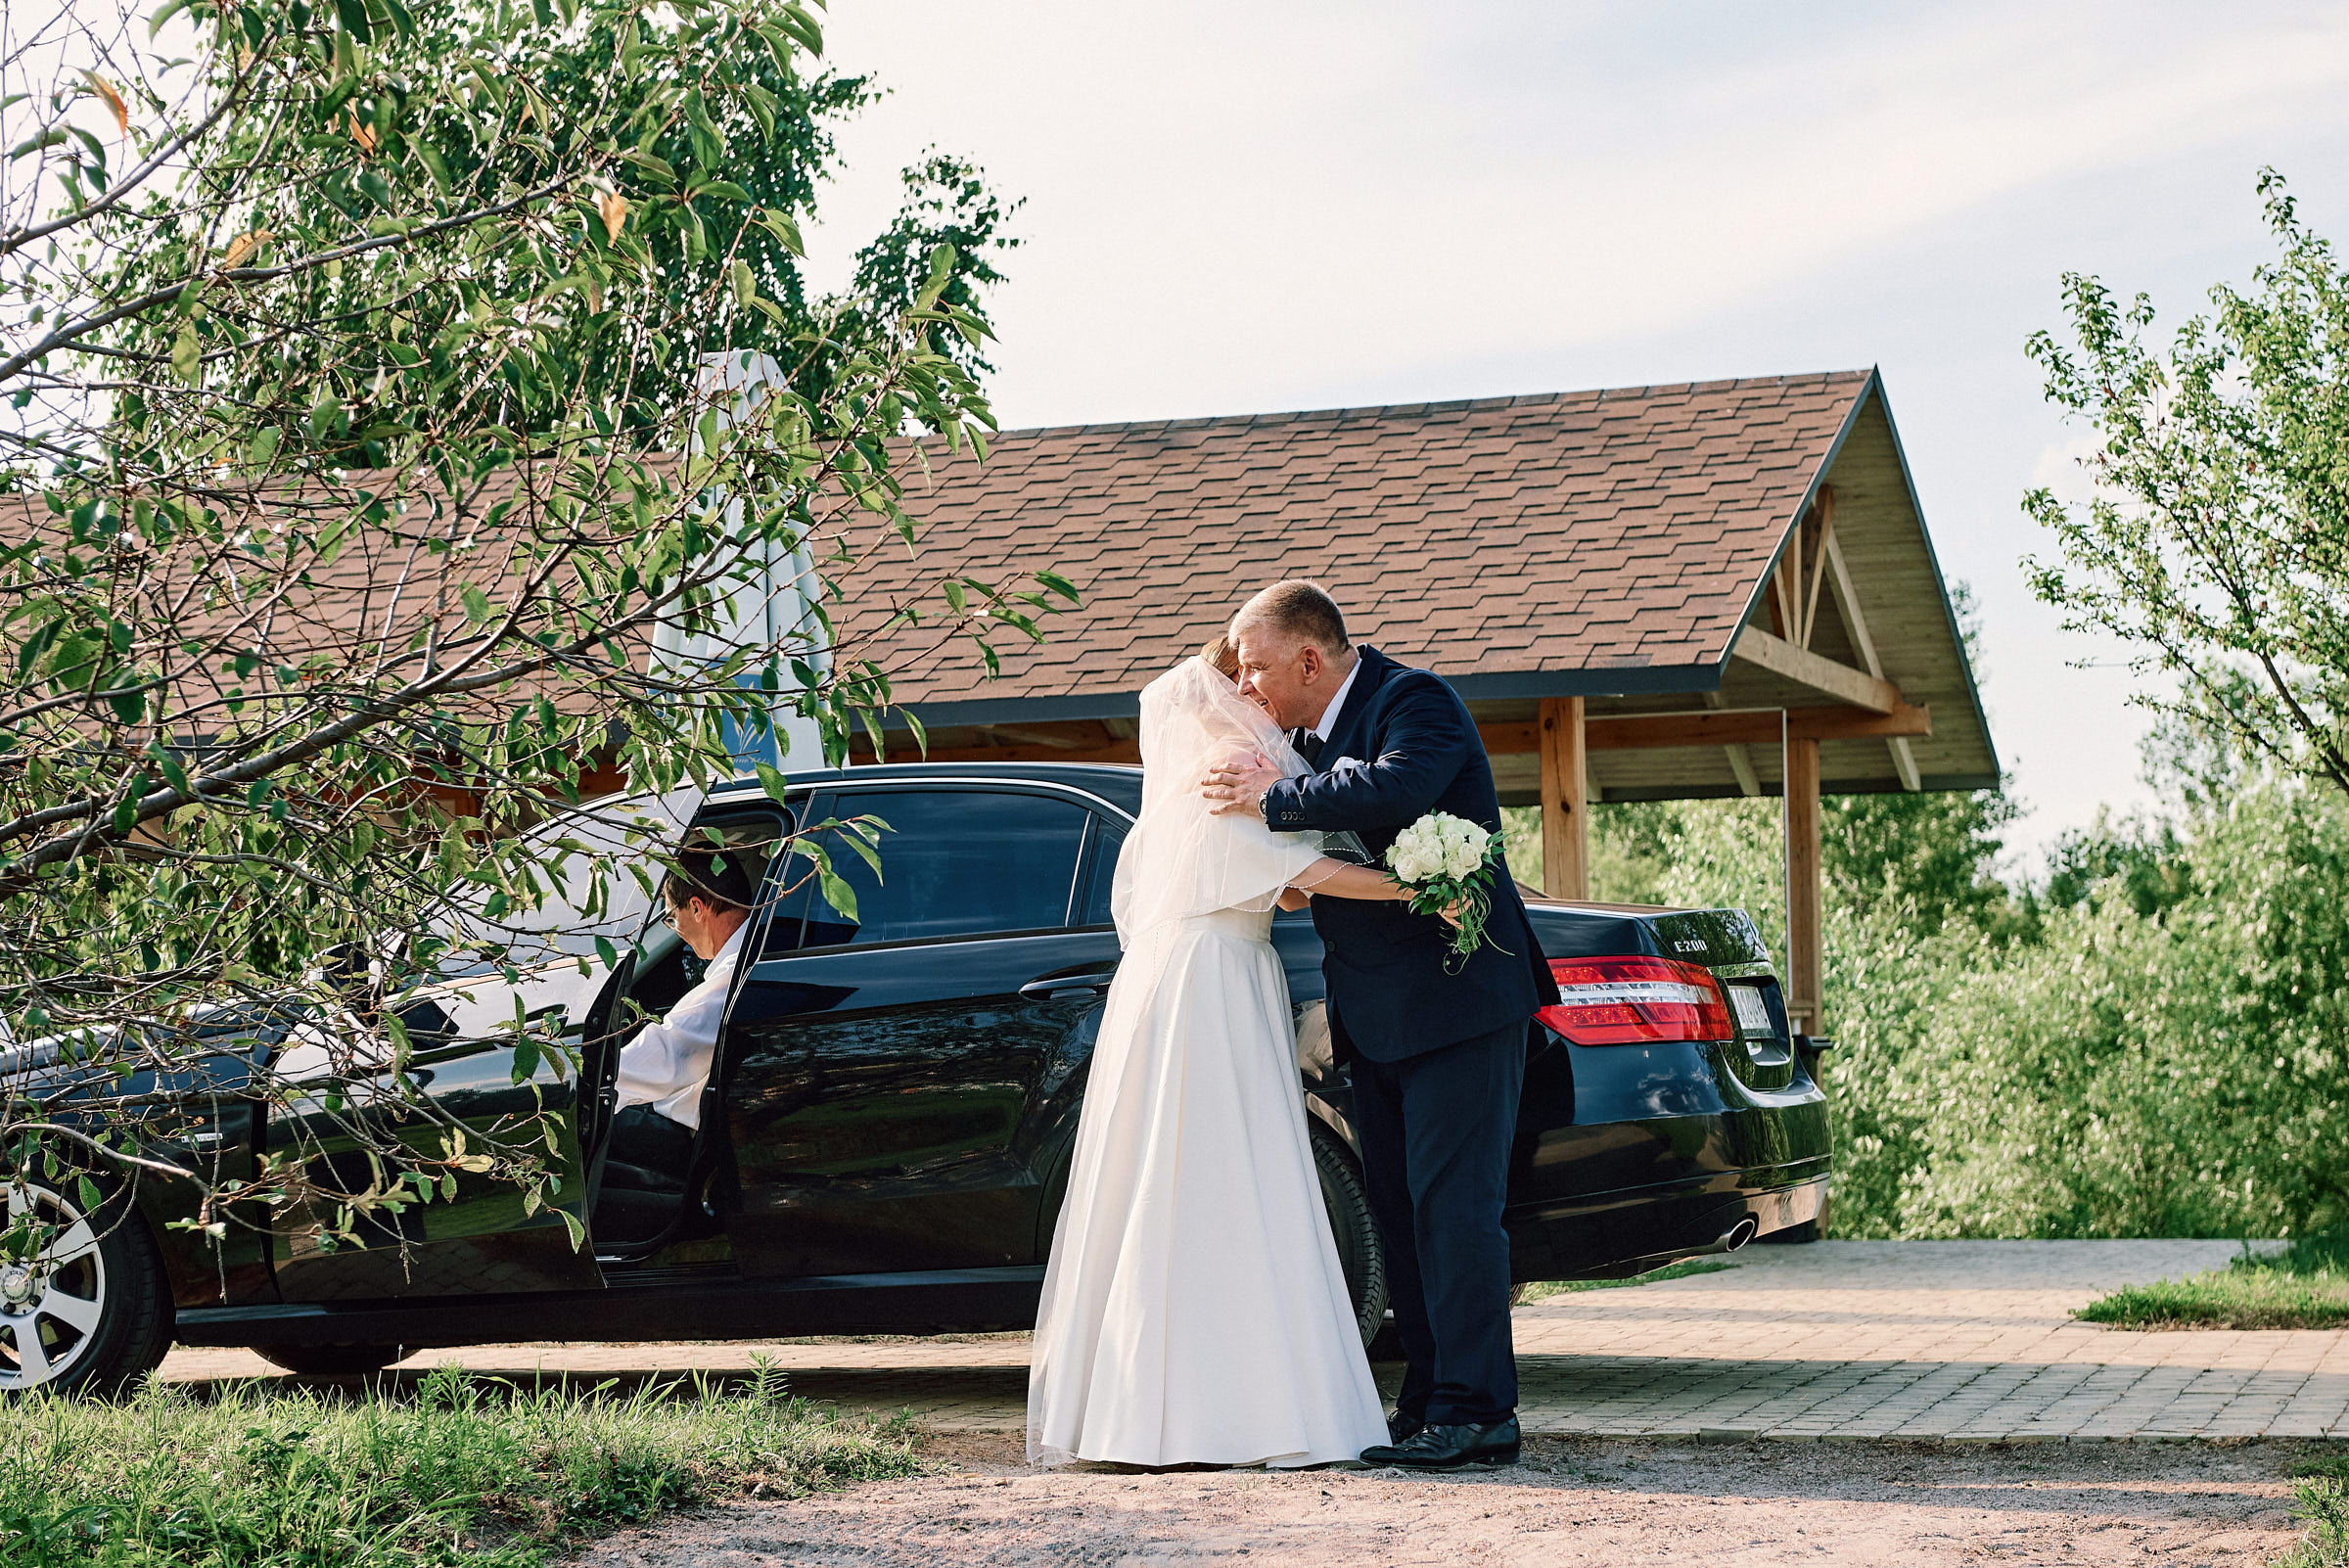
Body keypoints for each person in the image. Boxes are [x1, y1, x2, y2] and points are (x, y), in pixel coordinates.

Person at [1025, 635, 1422, 1470]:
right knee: (1228, 1177)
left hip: (1180, 979)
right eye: (1241, 683)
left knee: (1177, 1177)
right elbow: (1309, 874)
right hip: (1214, 981)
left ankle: (1147, 1409)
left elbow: (1267, 876)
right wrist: (1420, 887)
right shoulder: (1228, 770)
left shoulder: (1175, 795)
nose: (1256, 695)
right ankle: (1236, 1408)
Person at [1201, 580, 1558, 1471]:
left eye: (1255, 670)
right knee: (1400, 1216)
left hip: (1460, 1005)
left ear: (1309, 659)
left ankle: (1482, 1412)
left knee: (1457, 1213)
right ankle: (1430, 1401)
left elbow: (1396, 786)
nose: (1249, 688)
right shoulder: (1296, 743)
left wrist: (1275, 800)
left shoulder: (1415, 702)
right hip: (1372, 1018)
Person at [605, 844, 759, 1184]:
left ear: (697, 908)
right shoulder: (750, 955)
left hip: (682, 1140)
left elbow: (670, 1051)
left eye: (671, 918)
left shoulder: (733, 976)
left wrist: (590, 1084)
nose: (677, 931)